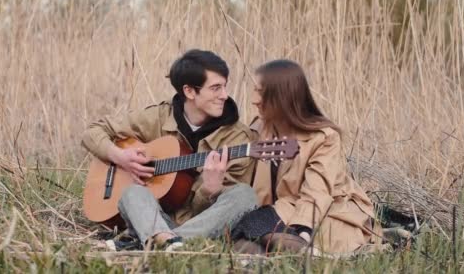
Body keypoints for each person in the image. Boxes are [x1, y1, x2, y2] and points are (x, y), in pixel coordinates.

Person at [82, 49, 258, 250]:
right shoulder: (159, 116)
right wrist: (120, 157)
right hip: (154, 216)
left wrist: (209, 190)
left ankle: (161, 241)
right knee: (132, 192)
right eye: (215, 88)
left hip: (197, 225)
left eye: (224, 87)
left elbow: (210, 214)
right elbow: (93, 131)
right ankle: (165, 241)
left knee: (245, 195)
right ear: (189, 91)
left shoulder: (237, 139)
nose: (224, 96)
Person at [231, 59, 381, 255]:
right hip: (276, 211)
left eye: (261, 92)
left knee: (261, 230)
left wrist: (304, 229)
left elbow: (317, 190)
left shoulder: (324, 137)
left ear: (283, 95)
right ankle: (262, 262)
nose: (254, 99)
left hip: (323, 213)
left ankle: (304, 253)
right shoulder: (260, 127)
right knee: (242, 237)